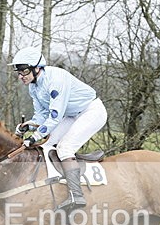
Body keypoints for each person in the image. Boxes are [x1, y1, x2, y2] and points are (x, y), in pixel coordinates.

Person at [10, 46, 108, 210]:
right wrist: (29, 125)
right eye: (18, 72)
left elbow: (54, 116)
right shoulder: (33, 87)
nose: (21, 76)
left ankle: (77, 196)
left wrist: (34, 136)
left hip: (92, 111)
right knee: (45, 146)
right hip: (70, 115)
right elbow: (41, 115)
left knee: (65, 147)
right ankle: (52, 186)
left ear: (37, 68)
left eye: (24, 71)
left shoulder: (55, 80)